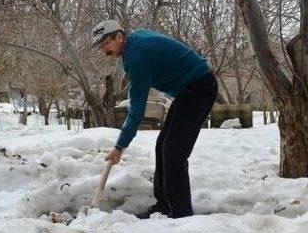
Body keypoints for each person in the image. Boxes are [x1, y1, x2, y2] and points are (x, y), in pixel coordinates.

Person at [92, 20, 217, 219]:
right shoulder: (136, 38)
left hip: (199, 89)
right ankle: (164, 206)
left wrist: (119, 147)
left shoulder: (136, 57)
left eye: (106, 43)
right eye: (100, 46)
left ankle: (181, 213)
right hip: (190, 89)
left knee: (174, 151)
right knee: (163, 146)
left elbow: (137, 110)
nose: (103, 49)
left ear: (119, 36)